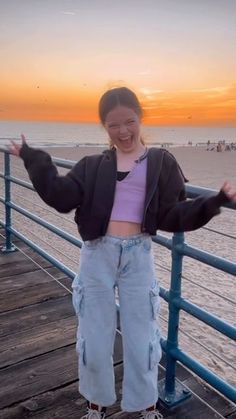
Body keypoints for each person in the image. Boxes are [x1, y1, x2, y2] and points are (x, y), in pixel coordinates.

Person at [8, 87, 236, 419]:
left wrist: (213, 202)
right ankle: (96, 405)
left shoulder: (161, 163)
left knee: (143, 336)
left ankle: (145, 405)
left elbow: (174, 215)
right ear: (104, 127)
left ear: (141, 118)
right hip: (97, 254)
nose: (124, 131)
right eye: (114, 125)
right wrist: (34, 158)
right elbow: (61, 197)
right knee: (94, 336)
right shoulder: (91, 165)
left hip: (138, 255)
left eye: (130, 121)